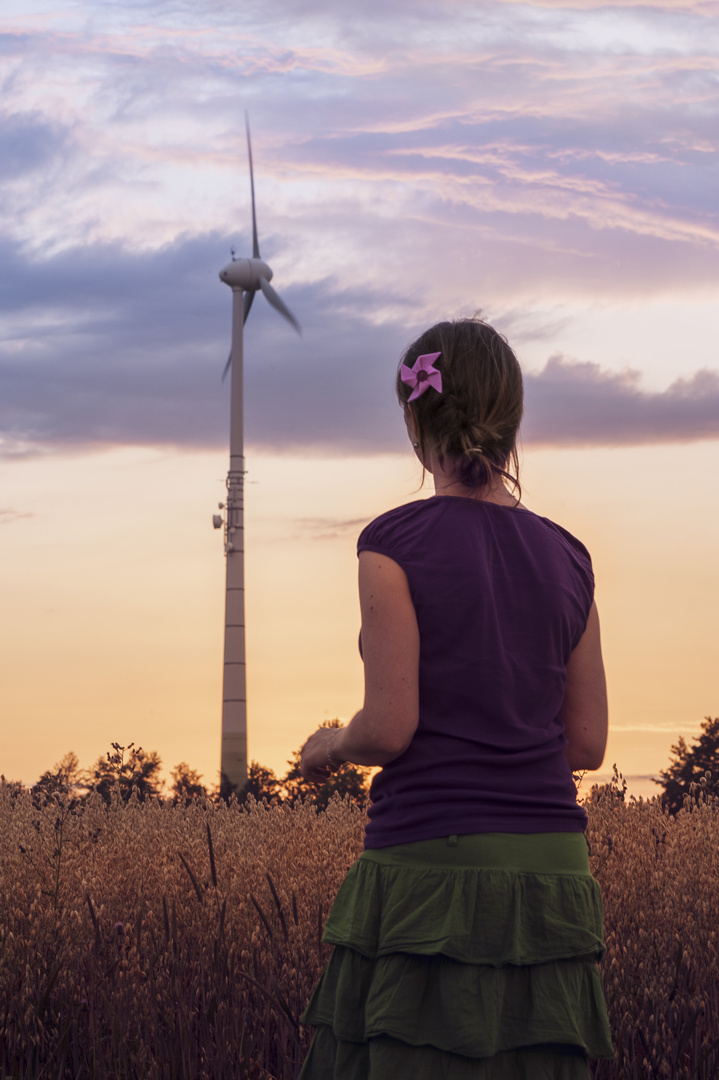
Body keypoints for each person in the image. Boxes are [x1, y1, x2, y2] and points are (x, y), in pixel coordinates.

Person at [298, 318, 614, 1080]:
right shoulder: (569, 556)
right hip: (552, 877)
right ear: (513, 419)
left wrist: (329, 746)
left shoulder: (392, 544)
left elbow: (388, 728)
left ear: (415, 423)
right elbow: (585, 745)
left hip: (431, 865)